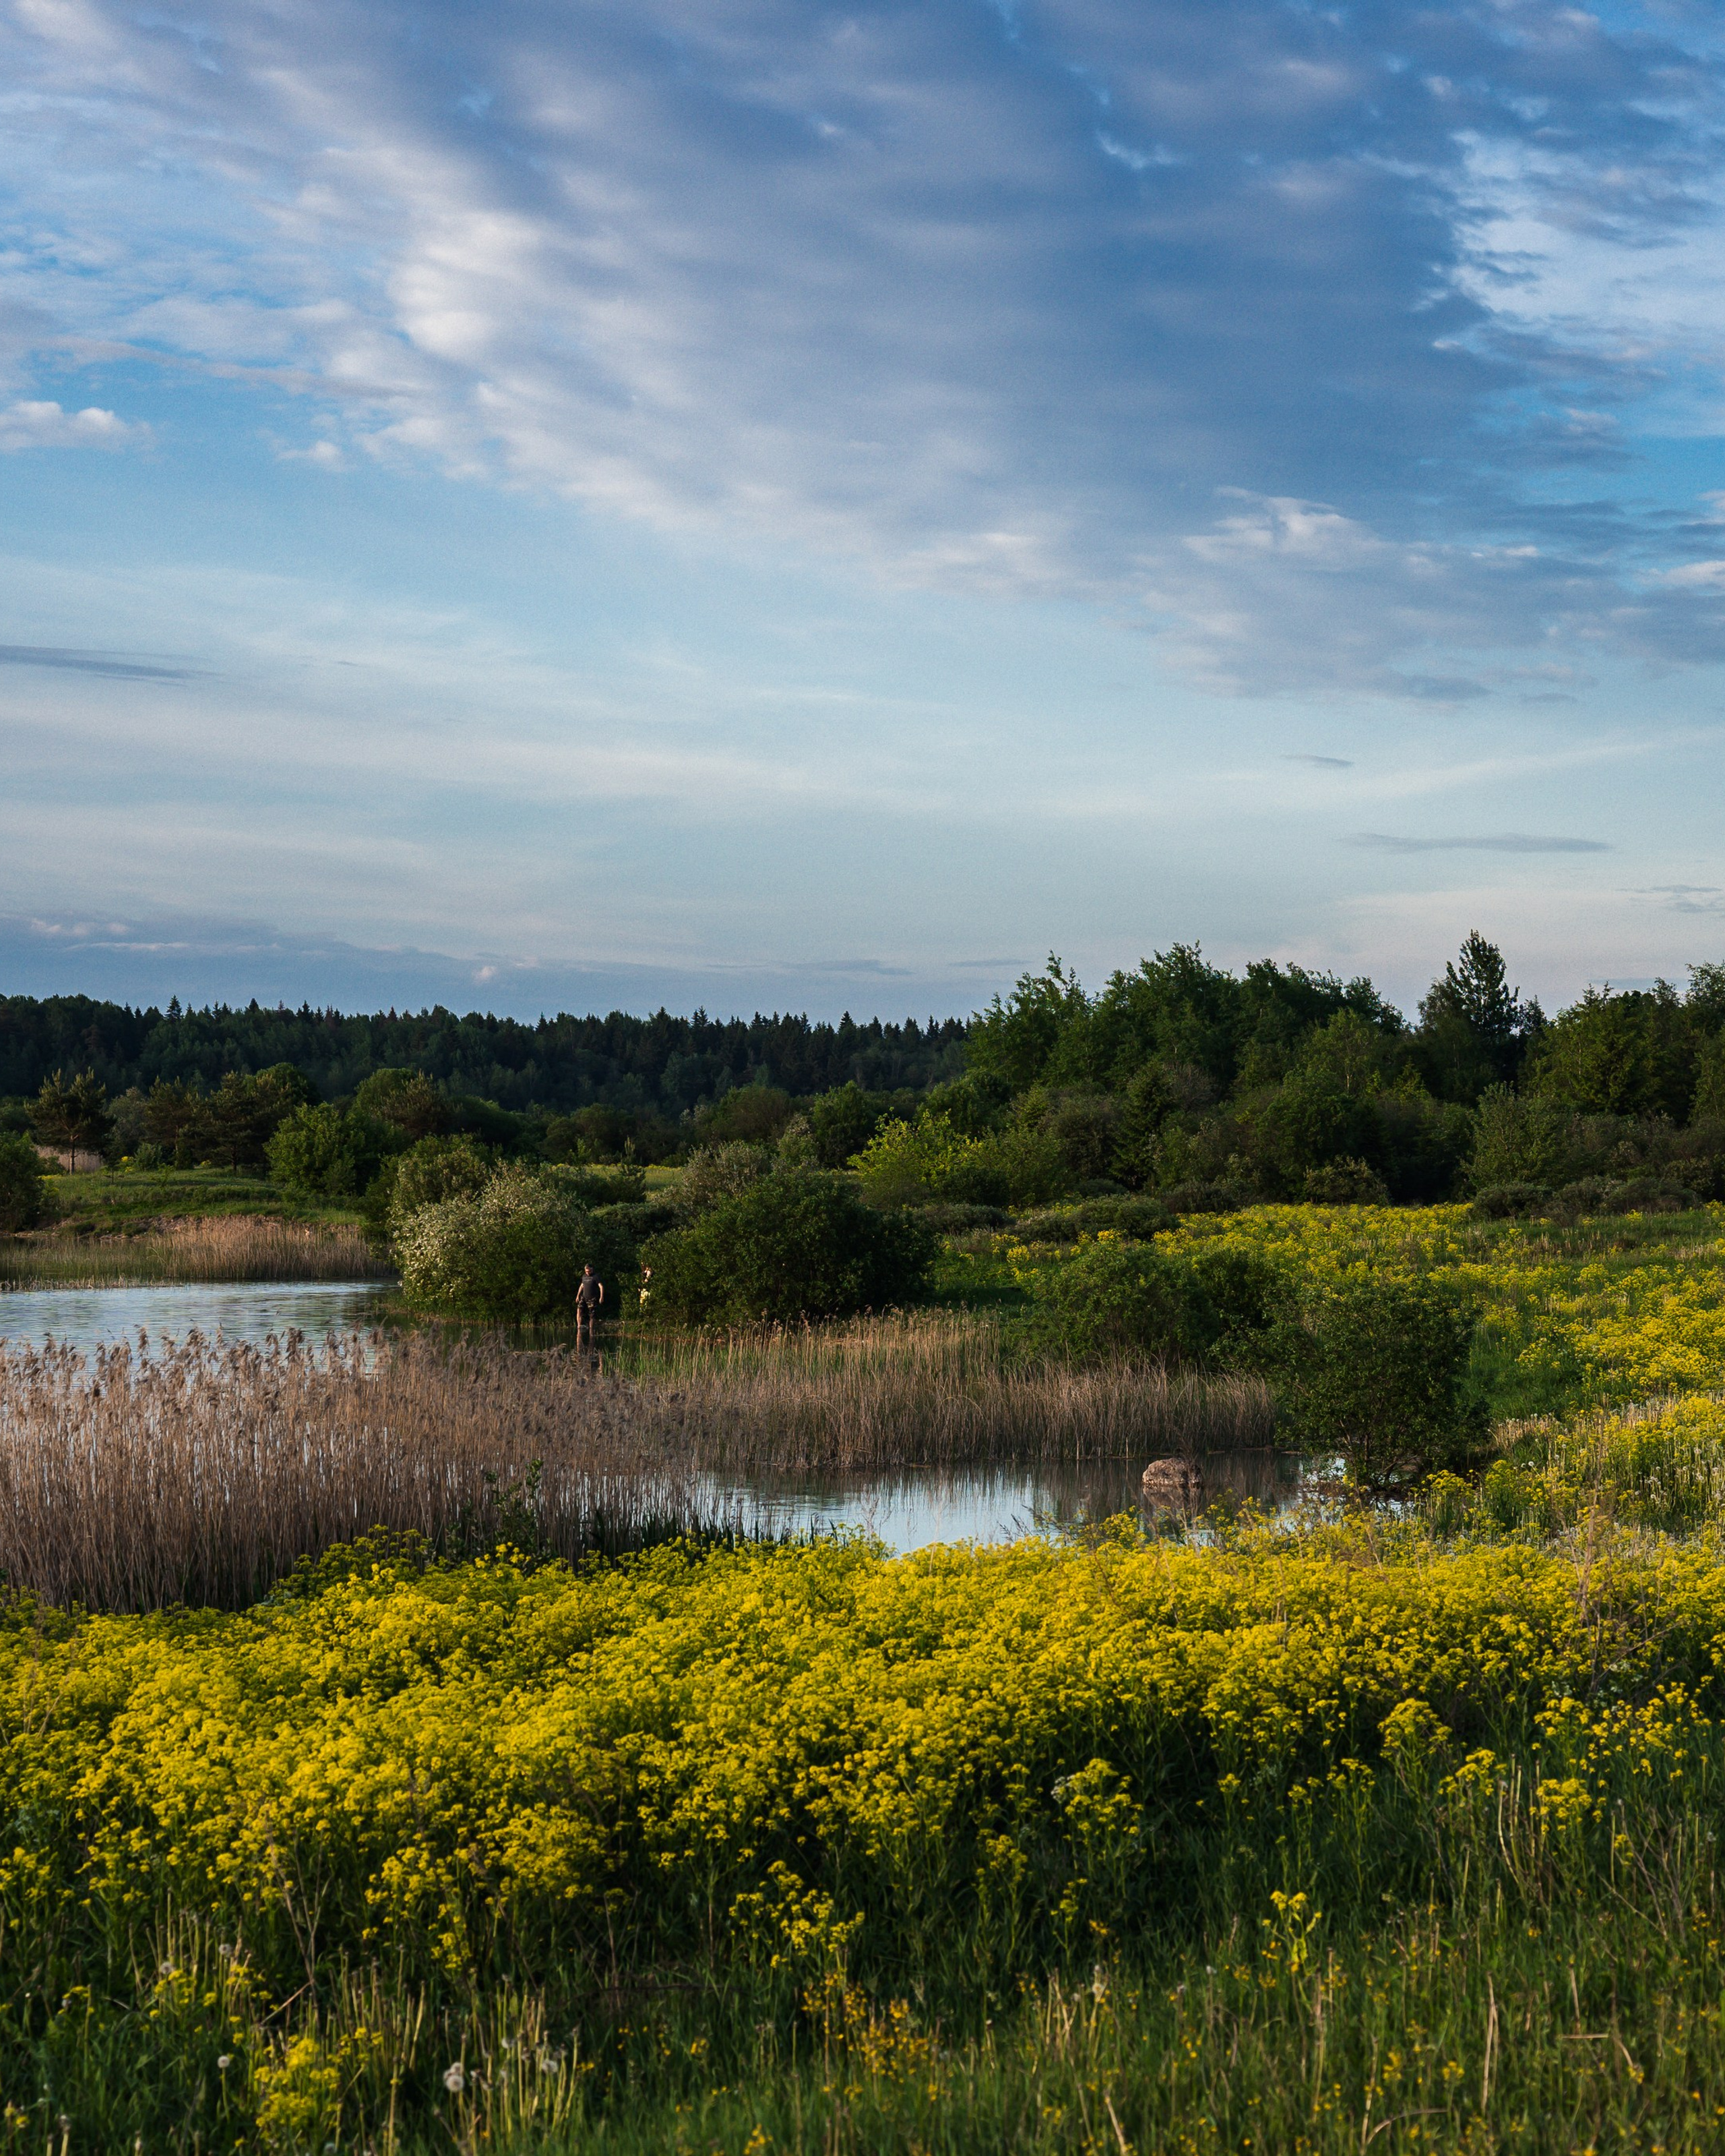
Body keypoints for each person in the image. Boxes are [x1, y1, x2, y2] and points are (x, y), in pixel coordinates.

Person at [574, 1262, 604, 1345]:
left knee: (592, 1314)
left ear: (592, 1270)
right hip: (584, 1297)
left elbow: (601, 1287)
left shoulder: (595, 1277)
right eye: (586, 1271)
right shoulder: (584, 1276)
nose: (588, 1273)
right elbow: (582, 1286)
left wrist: (601, 1297)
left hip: (592, 1298)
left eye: (589, 1271)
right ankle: (579, 1326)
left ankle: (591, 1330)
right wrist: (578, 1296)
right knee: (579, 1310)